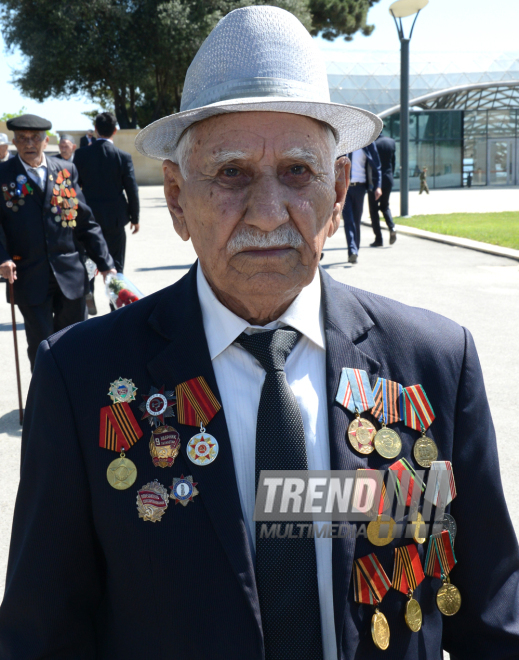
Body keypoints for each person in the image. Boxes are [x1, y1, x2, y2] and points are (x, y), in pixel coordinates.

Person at [1, 8, 519, 660]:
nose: (268, 212)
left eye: (298, 171)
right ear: (178, 198)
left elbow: (494, 619)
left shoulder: (435, 363)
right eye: (231, 173)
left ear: (336, 194)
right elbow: (41, 635)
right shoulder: (82, 380)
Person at [0, 113, 115, 369]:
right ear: (15, 142)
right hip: (28, 275)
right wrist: (3, 258)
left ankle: (74, 399)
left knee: (75, 342)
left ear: (46, 140)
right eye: (22, 139)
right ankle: (46, 403)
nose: (29, 143)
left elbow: (85, 221)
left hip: (69, 273)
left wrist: (106, 264)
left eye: (35, 138)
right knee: (42, 345)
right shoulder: (3, 174)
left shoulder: (65, 170)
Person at [74, 112, 139, 309]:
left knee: (89, 256)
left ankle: (89, 289)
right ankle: (116, 303)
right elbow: (131, 189)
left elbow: (74, 186)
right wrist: (135, 217)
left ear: (95, 129)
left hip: (88, 218)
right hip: (115, 219)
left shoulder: (81, 154)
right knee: (115, 263)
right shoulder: (122, 156)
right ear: (115, 130)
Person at [341, 144, 381, 264]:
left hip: (360, 187)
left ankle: (355, 250)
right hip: (344, 188)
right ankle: (352, 250)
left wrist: (378, 186)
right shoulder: (343, 144)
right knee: (348, 220)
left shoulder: (367, 144)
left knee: (356, 220)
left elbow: (377, 166)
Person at [367, 134, 397, 247]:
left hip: (374, 182)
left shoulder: (373, 144)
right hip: (388, 179)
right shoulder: (391, 142)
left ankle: (378, 238)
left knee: (373, 210)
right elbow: (393, 162)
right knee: (385, 206)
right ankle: (392, 227)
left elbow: (369, 164)